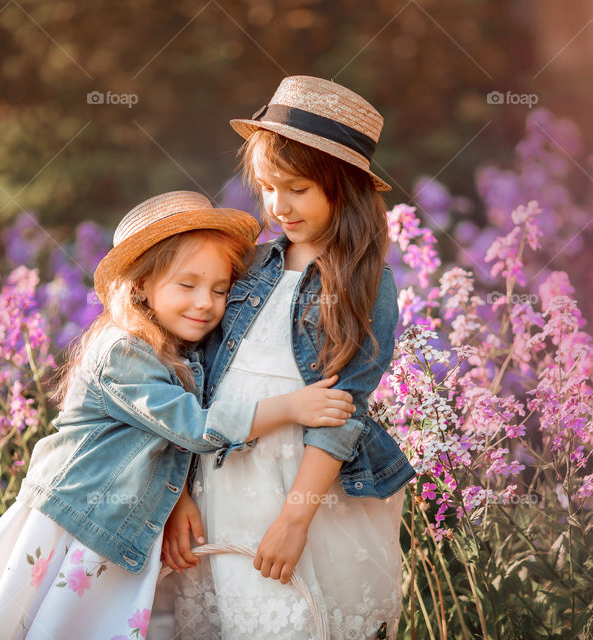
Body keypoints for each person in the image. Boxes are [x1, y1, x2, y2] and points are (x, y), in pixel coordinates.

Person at [0, 190, 356, 640]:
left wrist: (179, 496)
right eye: (187, 285)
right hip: (81, 525)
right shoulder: (124, 350)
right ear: (142, 284)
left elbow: (163, 441)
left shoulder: (180, 349)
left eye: (220, 289)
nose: (205, 302)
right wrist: (290, 407)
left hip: (111, 526)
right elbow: (193, 427)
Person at [165, 77, 416, 640]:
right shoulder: (248, 266)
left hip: (308, 491)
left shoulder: (366, 284)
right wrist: (178, 494)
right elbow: (190, 384)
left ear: (344, 187)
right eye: (267, 187)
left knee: (297, 619)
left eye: (296, 188)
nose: (278, 205)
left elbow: (343, 408)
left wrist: (295, 519)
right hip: (224, 480)